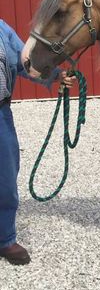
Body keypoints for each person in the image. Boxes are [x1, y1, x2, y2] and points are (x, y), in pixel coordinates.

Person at [0, 19, 75, 265]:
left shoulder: (2, 29)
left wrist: (55, 76)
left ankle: (5, 239)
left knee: (6, 177)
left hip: (0, 115)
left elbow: (25, 62)